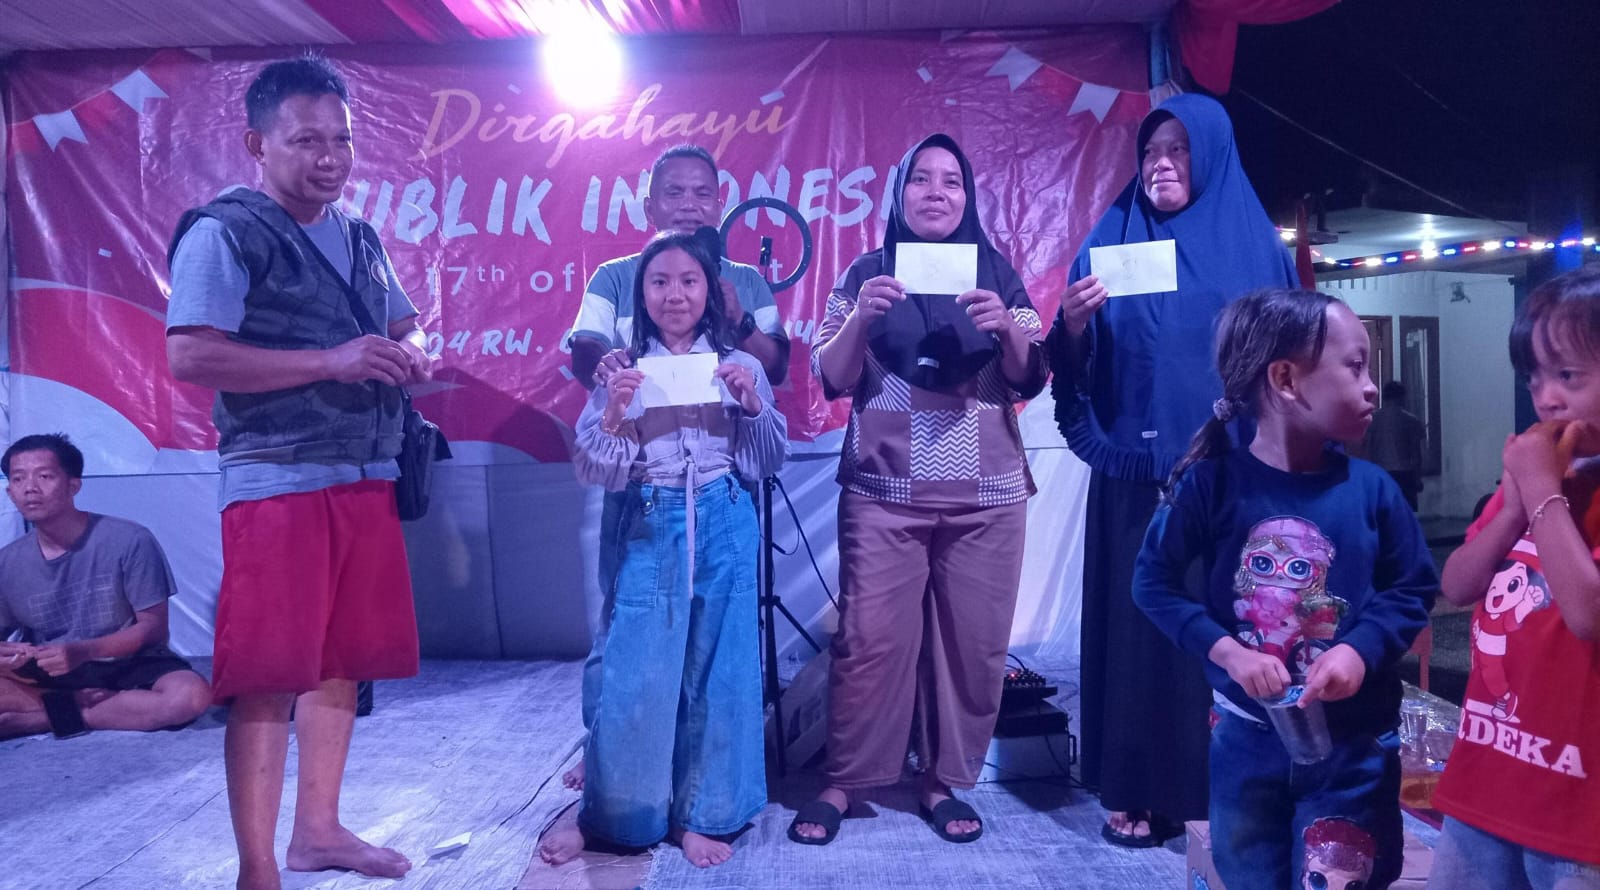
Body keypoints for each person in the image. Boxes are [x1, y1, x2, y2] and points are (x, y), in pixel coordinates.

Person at [165, 56, 430, 890]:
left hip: (365, 473)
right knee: (268, 675)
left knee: (341, 661)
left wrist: (413, 353)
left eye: (341, 139)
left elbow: (405, 324)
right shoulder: (225, 231)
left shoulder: (358, 235)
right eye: (307, 140)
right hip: (276, 481)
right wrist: (329, 361)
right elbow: (189, 354)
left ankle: (317, 833)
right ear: (258, 144)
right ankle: (257, 869)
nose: (330, 157)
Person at [1049, 93, 1299, 846]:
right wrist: (1073, 325)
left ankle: (1222, 787)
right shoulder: (1113, 237)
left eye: (1179, 150)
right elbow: (1074, 364)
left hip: (1231, 477)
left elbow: (1293, 358)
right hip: (1137, 475)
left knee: (1225, 624)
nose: (1161, 164)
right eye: (1151, 151)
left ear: (1211, 153)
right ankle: (1135, 785)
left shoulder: (1255, 246)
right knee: (1142, 631)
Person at [790, 134, 1048, 846]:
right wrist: (864, 317)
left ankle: (940, 780)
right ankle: (846, 779)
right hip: (884, 487)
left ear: (968, 198)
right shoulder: (867, 272)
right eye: (921, 180)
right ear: (898, 194)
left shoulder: (996, 273)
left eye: (952, 181)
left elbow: (1030, 372)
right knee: (869, 641)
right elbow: (833, 375)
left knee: (973, 646)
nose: (937, 192)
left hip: (986, 493)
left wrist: (1007, 329)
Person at [1132, 289, 1437, 889]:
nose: (1372, 388)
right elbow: (1153, 582)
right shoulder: (1208, 485)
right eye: (1355, 367)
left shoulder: (1374, 490)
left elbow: (1412, 587)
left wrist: (1358, 651)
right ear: (1286, 379)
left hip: (1353, 749)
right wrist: (1229, 652)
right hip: (1245, 743)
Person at [540, 230, 787, 869]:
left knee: (722, 672)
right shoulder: (623, 369)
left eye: (688, 281)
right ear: (641, 293)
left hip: (726, 518)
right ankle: (616, 815)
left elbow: (766, 461)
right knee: (638, 675)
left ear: (710, 291)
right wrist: (616, 412)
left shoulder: (742, 363)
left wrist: (752, 405)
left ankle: (704, 816)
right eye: (659, 282)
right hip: (652, 520)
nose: (674, 294)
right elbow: (596, 469)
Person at [1428, 265, 1600, 889]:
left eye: (1568, 376)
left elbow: (1589, 615)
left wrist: (1541, 491)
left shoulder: (1549, 482)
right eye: (1534, 379)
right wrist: (1514, 501)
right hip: (1487, 780)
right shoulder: (1540, 477)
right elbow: (1457, 584)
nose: (1546, 397)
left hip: (1579, 813)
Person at [0, 434, 211, 740]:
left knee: (189, 697)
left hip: (128, 664)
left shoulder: (130, 540)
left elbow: (153, 630)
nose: (30, 488)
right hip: (50, 673)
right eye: (18, 479)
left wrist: (83, 651)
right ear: (9, 491)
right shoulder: (7, 562)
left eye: (44, 476)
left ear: (73, 485)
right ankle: (94, 707)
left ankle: (46, 718)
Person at [1364, 380, 1428, 511]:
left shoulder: (1372, 420)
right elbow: (1416, 454)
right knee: (1405, 514)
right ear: (1402, 397)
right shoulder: (1411, 421)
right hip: (1404, 473)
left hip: (1379, 472)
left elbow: (1366, 449)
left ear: (1384, 397)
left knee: (1381, 514)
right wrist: (1417, 478)